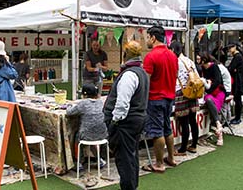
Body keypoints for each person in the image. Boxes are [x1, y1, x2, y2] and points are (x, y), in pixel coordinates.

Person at [103, 41, 148, 190]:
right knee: (131, 156)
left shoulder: (129, 74)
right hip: (136, 119)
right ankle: (132, 186)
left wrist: (114, 122)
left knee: (125, 160)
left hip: (126, 123)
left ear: (125, 55)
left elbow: (122, 104)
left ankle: (129, 187)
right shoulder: (141, 72)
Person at [142, 26, 178, 172]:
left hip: (155, 97)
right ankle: (170, 157)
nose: (146, 40)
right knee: (167, 129)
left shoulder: (151, 56)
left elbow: (146, 80)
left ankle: (158, 163)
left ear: (153, 38)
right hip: (169, 97)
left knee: (157, 132)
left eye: (147, 37)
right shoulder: (172, 55)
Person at [66, 83, 107, 169]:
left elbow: (69, 112)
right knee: (92, 135)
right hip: (103, 135)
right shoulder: (101, 102)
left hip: (87, 135)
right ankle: (99, 160)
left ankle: (79, 162)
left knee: (77, 136)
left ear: (85, 94)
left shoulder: (83, 103)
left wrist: (69, 105)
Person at [171, 41, 200, 156]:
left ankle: (182, 148)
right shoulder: (189, 61)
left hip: (181, 92)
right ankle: (194, 145)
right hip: (192, 91)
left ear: (173, 50)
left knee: (184, 122)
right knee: (193, 120)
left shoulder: (176, 62)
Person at [198, 52, 225, 146]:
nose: (197, 61)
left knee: (210, 101)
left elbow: (218, 81)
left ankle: (217, 125)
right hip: (208, 94)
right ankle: (218, 125)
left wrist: (209, 86)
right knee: (208, 100)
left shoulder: (214, 67)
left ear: (204, 60)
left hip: (218, 92)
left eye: (198, 59)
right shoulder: (201, 69)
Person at [227, 43, 243, 125]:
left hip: (238, 81)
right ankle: (237, 117)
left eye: (230, 47)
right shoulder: (239, 56)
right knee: (237, 99)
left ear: (235, 47)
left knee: (237, 99)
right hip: (239, 80)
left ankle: (237, 117)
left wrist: (235, 70)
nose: (229, 50)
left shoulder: (237, 57)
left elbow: (230, 68)